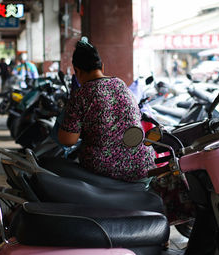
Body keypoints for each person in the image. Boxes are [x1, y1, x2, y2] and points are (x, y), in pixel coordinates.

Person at [58, 37, 155, 184]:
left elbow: (68, 140)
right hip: (142, 164)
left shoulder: (81, 94)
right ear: (102, 67)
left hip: (105, 169)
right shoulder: (120, 84)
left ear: (77, 71)